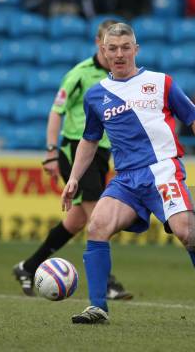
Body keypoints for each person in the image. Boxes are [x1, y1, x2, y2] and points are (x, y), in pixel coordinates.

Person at [63, 23, 195, 326]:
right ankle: (98, 307)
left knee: (187, 232)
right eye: (112, 48)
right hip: (126, 179)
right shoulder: (96, 95)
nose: (119, 54)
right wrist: (74, 178)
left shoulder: (161, 82)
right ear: (103, 52)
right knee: (97, 226)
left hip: (163, 171)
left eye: (125, 47)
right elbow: (90, 139)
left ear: (136, 49)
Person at [13, 19, 132, 301]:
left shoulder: (120, 78)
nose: (113, 51)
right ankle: (106, 282)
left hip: (101, 154)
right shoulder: (80, 74)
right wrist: (52, 151)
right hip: (76, 151)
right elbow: (57, 111)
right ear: (98, 43)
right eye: (108, 44)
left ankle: (27, 267)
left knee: (77, 220)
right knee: (98, 217)